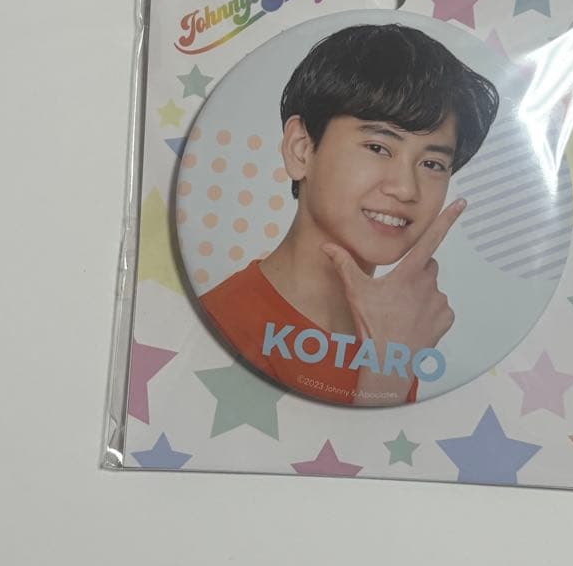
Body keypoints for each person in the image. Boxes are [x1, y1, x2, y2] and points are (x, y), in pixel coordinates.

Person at [200, 22, 499, 406]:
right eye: (378, 148)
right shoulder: (220, 328)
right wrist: (389, 367)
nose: (406, 189)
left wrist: (393, 357)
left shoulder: (401, 331)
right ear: (301, 149)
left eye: (432, 164)